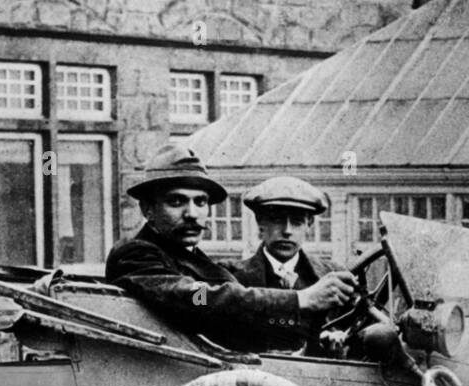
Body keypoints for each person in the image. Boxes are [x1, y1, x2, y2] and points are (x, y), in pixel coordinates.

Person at [105, 144, 356, 354]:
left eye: (200, 202)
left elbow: (236, 312)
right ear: (148, 209)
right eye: (176, 201)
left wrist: (316, 337)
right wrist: (300, 299)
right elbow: (195, 296)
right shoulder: (137, 254)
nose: (192, 214)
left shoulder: (192, 258)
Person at [228, 176, 339, 293]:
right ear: (260, 221)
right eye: (277, 220)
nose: (287, 231)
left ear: (309, 224)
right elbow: (205, 306)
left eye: (297, 222)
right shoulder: (229, 276)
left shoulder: (332, 276)